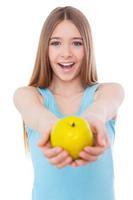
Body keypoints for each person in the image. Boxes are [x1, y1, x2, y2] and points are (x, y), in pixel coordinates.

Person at [13, 6, 124, 200]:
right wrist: (54, 129)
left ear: (87, 47)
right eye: (56, 43)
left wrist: (92, 120)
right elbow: (36, 115)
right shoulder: (27, 95)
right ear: (45, 49)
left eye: (77, 43)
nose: (66, 53)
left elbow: (102, 107)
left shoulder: (109, 91)